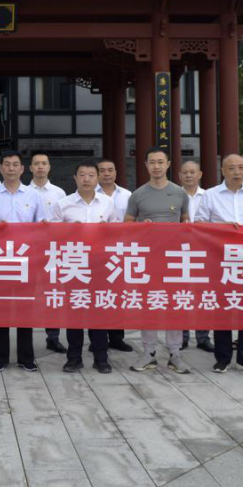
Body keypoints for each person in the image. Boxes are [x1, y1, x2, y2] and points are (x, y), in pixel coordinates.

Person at [0, 150, 47, 372]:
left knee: (25, 309)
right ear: (0, 168)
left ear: (22, 169)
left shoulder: (33, 195)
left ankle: (26, 357)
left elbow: (42, 226)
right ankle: (0, 358)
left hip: (26, 260)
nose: (11, 168)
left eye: (15, 164)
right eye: (6, 164)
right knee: (0, 310)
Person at [125, 147, 191, 374]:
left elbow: (186, 221)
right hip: (148, 259)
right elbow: (126, 223)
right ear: (146, 165)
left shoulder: (180, 193)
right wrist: (139, 227)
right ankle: (148, 352)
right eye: (152, 162)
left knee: (174, 305)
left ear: (168, 164)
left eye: (160, 162)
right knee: (149, 304)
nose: (156, 166)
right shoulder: (138, 194)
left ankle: (175, 353)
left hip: (174, 259)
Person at [194, 154, 243, 374]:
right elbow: (199, 224)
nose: (237, 172)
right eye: (231, 168)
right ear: (223, 171)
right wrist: (222, 228)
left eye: (241, 167)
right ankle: (222, 358)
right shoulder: (211, 195)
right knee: (222, 309)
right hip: (220, 260)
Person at [52, 161, 118, 374]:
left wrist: (107, 231)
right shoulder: (62, 204)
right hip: (74, 265)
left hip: (100, 265)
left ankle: (101, 358)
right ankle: (74, 358)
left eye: (91, 175)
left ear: (97, 178)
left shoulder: (107, 203)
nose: (86, 179)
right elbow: (51, 235)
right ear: (75, 178)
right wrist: (68, 231)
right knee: (75, 313)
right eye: (82, 175)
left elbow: (117, 233)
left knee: (99, 312)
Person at [28, 152, 68, 354]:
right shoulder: (23, 191)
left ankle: (53, 337)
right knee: (27, 295)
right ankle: (25, 337)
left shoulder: (59, 193)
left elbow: (64, 221)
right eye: (36, 163)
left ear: (49, 167)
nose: (40, 167)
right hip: (28, 250)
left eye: (44, 163)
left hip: (52, 251)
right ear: (30, 168)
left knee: (52, 294)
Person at [97, 157, 135, 353]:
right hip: (96, 253)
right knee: (98, 296)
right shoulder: (90, 194)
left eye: (110, 170)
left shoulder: (127, 195)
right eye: (102, 170)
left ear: (116, 173)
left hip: (121, 251)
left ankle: (117, 338)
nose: (106, 174)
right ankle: (98, 338)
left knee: (117, 296)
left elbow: (134, 221)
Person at [177, 159, 211, 353]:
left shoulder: (209, 196)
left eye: (192, 172)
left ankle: (203, 337)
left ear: (200, 175)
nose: (189, 175)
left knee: (203, 295)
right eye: (185, 172)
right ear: (180, 175)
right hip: (178, 251)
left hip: (204, 251)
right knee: (182, 294)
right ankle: (182, 337)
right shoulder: (173, 195)